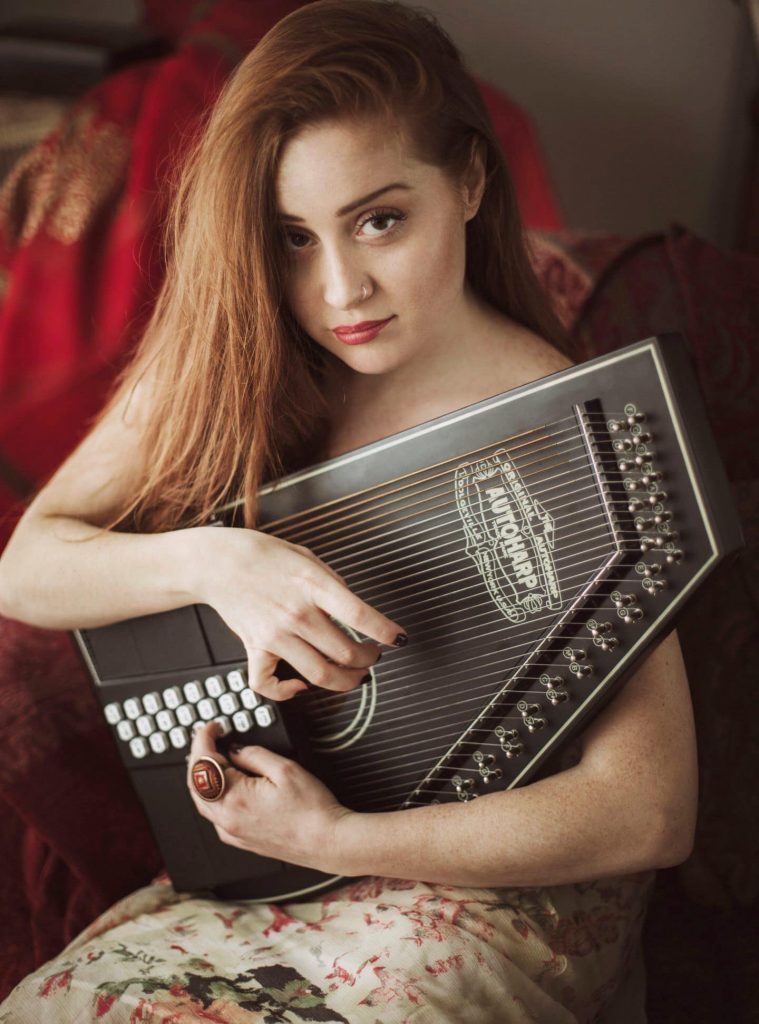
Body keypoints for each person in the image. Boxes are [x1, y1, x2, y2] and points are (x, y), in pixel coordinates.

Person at [0, 1, 697, 1020]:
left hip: (496, 902)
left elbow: (652, 809)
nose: (339, 290)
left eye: (380, 219)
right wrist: (221, 565)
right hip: (271, 877)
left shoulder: (570, 429)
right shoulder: (241, 353)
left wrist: (337, 839)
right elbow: (25, 565)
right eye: (292, 237)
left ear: (467, 181)